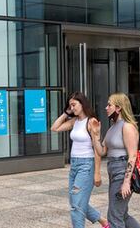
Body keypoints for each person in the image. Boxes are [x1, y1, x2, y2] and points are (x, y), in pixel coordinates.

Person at [51, 92, 110, 228]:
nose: (72, 108)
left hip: (86, 166)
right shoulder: (74, 121)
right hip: (74, 165)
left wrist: (97, 173)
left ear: (82, 104)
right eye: (70, 105)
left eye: (74, 104)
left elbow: (97, 149)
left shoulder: (91, 122)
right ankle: (104, 222)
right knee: (75, 201)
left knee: (76, 206)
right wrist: (66, 113)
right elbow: (54, 128)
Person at [89, 93, 140, 228]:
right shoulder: (112, 128)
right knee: (122, 214)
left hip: (122, 172)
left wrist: (126, 182)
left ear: (118, 108)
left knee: (114, 217)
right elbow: (102, 152)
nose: (106, 108)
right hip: (113, 171)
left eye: (109, 105)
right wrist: (95, 135)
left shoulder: (127, 127)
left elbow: (132, 156)